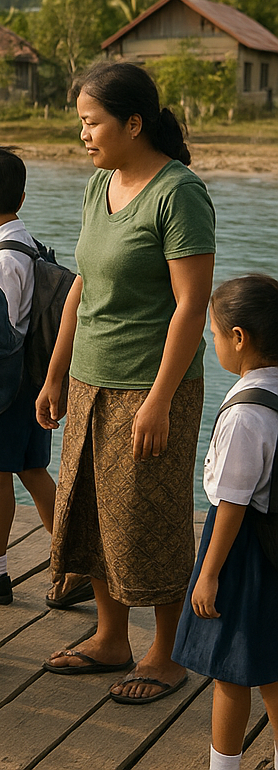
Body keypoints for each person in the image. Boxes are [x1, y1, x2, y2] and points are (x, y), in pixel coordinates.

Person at [36, 61, 215, 704]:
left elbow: (192, 305)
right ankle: (111, 637)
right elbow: (83, 286)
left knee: (149, 516)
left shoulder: (178, 193)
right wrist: (56, 374)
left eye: (91, 122)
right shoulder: (100, 185)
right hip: (90, 378)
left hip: (150, 386)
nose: (83, 134)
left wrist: (162, 399)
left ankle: (165, 653)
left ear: (133, 122)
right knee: (90, 508)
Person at [0, 147, 77, 607]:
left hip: (7, 384)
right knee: (30, 468)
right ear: (21, 198)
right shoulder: (26, 244)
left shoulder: (4, 257)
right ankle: (72, 562)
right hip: (33, 379)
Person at [173, 275, 278, 769]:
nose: (212, 341)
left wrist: (210, 573)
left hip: (241, 553)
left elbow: (232, 503)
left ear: (239, 338)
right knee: (275, 669)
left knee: (231, 672)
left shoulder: (244, 413)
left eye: (214, 333)